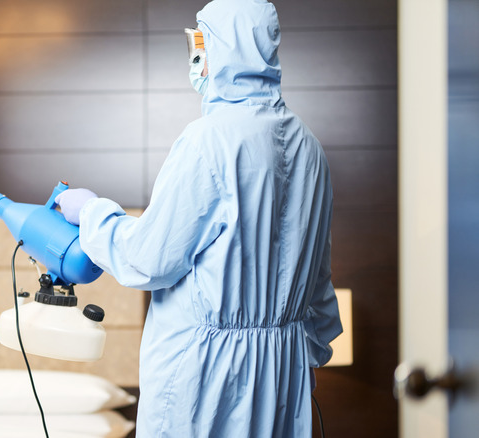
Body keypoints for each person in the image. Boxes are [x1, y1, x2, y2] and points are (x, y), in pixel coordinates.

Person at [55, 0, 342, 436]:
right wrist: (288, 353)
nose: (197, 60)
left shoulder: (209, 141)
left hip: (206, 378)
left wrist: (93, 212)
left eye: (201, 46)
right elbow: (318, 285)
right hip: (283, 373)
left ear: (227, 48)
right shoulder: (311, 149)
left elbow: (148, 259)